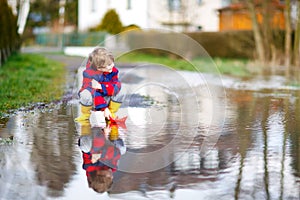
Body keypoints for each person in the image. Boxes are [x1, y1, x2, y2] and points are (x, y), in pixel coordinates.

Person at [75, 47, 122, 122]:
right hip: (93, 100)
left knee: (120, 90)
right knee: (85, 93)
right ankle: (85, 115)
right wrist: (104, 108)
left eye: (111, 63)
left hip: (106, 96)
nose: (111, 66)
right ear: (99, 68)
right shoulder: (88, 74)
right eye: (108, 65)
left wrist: (102, 87)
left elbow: (116, 85)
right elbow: (94, 93)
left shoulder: (113, 71)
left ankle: (111, 113)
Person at [78, 125, 126, 193]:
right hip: (107, 142)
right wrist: (102, 154)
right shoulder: (112, 168)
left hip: (95, 138)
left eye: (109, 177)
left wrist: (103, 134)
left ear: (99, 174)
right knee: (122, 150)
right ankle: (114, 130)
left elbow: (90, 151)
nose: (112, 176)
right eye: (111, 178)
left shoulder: (89, 166)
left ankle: (86, 126)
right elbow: (116, 153)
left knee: (86, 147)